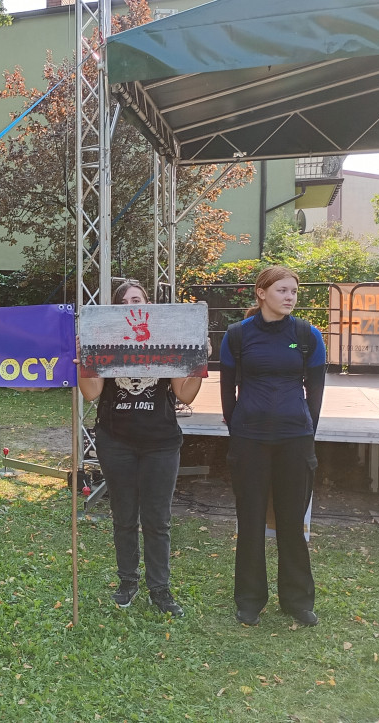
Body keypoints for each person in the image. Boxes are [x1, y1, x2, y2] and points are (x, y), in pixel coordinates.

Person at [78, 279, 205, 618]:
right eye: (125, 302)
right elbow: (91, 393)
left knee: (157, 518)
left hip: (161, 442)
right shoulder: (106, 340)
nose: (133, 305)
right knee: (123, 515)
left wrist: (198, 360)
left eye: (139, 300)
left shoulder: (165, 340)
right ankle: (127, 582)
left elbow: (186, 394)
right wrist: (84, 355)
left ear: (149, 309)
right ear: (116, 312)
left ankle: (160, 589)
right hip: (116, 439)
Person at [219, 264, 326, 627]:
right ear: (261, 293)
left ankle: (297, 600)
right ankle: (249, 600)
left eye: (293, 291)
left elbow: (316, 394)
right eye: (282, 290)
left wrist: (304, 429)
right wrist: (239, 426)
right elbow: (227, 392)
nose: (290, 297)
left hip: (295, 441)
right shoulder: (237, 335)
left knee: (291, 522)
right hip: (250, 441)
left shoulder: (308, 335)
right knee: (250, 521)